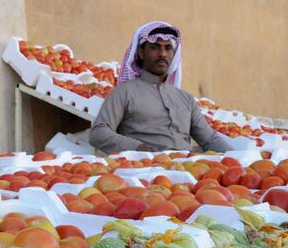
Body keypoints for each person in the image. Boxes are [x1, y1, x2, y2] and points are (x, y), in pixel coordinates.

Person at [89, 21, 232, 154]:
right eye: (155, 47)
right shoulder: (125, 92)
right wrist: (138, 148)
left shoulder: (186, 99)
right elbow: (99, 133)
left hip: (185, 171)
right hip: (142, 172)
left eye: (168, 48)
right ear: (140, 52)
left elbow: (210, 139)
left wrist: (240, 158)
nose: (162, 54)